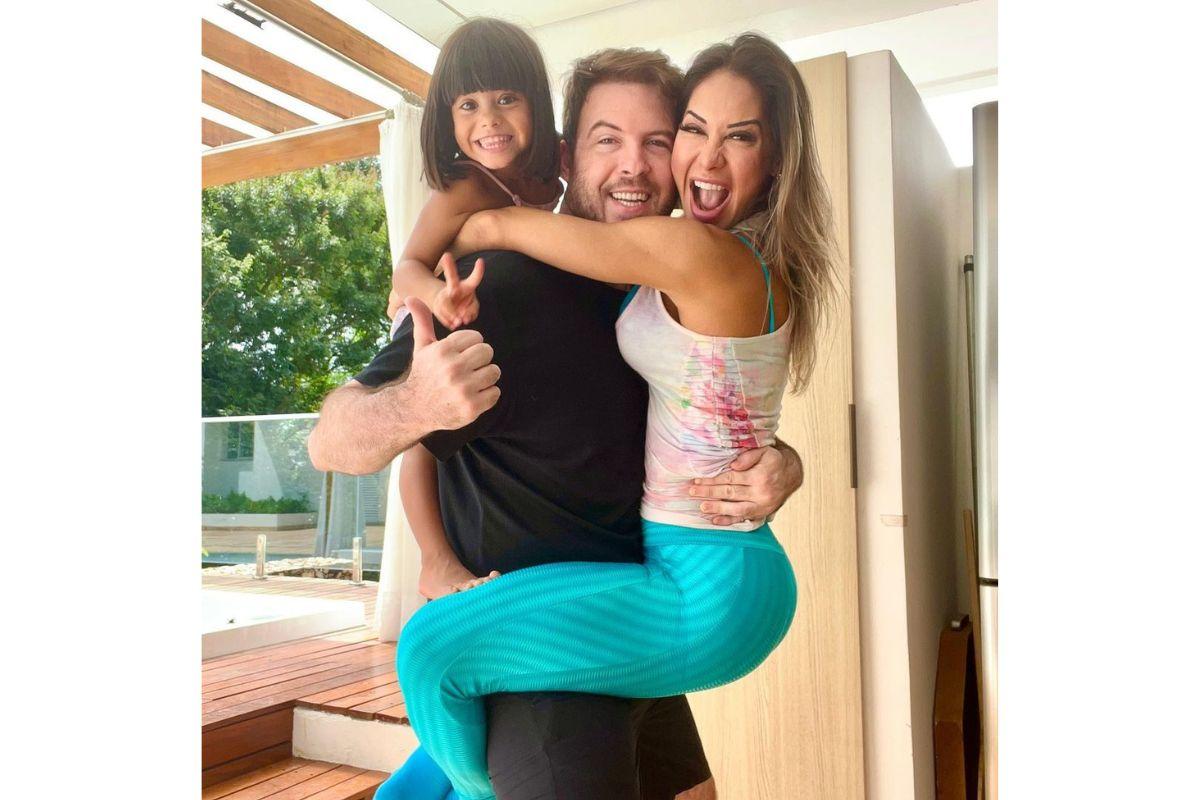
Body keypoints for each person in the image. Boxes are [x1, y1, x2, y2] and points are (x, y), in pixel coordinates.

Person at [308, 45, 806, 800]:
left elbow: (708, 407)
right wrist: (417, 405)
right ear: (569, 155)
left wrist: (781, 459)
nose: (633, 165)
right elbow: (333, 441)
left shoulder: (656, 292)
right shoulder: (494, 289)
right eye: (608, 140)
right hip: (539, 672)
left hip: (633, 613)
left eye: (658, 141)